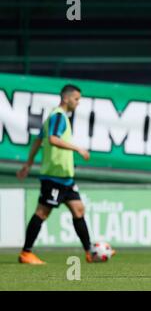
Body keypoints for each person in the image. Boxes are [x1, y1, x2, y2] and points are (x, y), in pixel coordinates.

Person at [16, 84, 94, 264]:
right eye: (76, 99)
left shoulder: (55, 117)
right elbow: (52, 139)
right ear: (66, 98)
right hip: (54, 176)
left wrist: (28, 164)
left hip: (66, 177)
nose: (78, 103)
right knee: (42, 213)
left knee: (79, 209)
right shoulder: (58, 116)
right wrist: (78, 149)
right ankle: (26, 253)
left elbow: (38, 140)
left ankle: (90, 252)